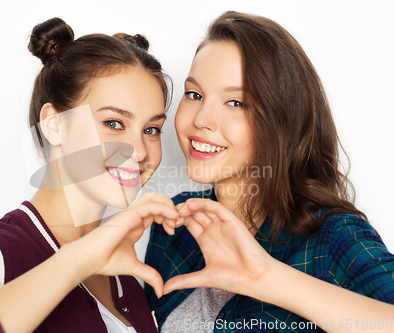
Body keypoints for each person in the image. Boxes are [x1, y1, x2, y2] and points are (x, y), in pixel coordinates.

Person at [0, 17, 180, 333]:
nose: (140, 151)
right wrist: (78, 260)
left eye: (151, 129)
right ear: (55, 124)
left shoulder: (125, 276)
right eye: (114, 123)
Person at [145, 11, 394, 333]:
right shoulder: (176, 223)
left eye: (236, 103)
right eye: (194, 94)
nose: (201, 119)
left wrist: (267, 278)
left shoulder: (332, 236)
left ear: (282, 119)